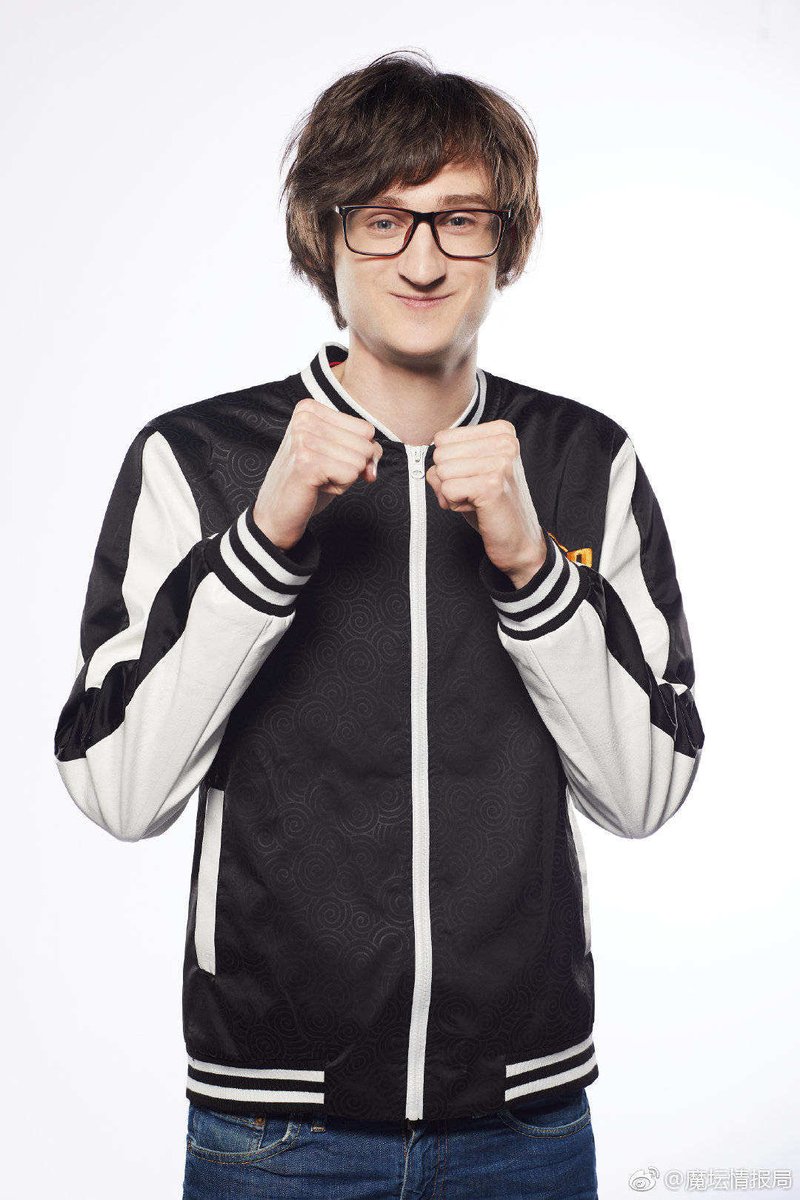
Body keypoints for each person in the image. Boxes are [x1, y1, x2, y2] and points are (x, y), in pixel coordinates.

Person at [53, 48, 705, 1200]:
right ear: (325, 235)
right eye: (383, 219)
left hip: (526, 1123)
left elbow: (644, 792)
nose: (422, 257)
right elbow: (117, 787)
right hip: (273, 1131)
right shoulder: (194, 460)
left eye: (459, 219)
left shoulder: (582, 460)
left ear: (506, 239)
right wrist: (263, 538)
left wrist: (530, 566)